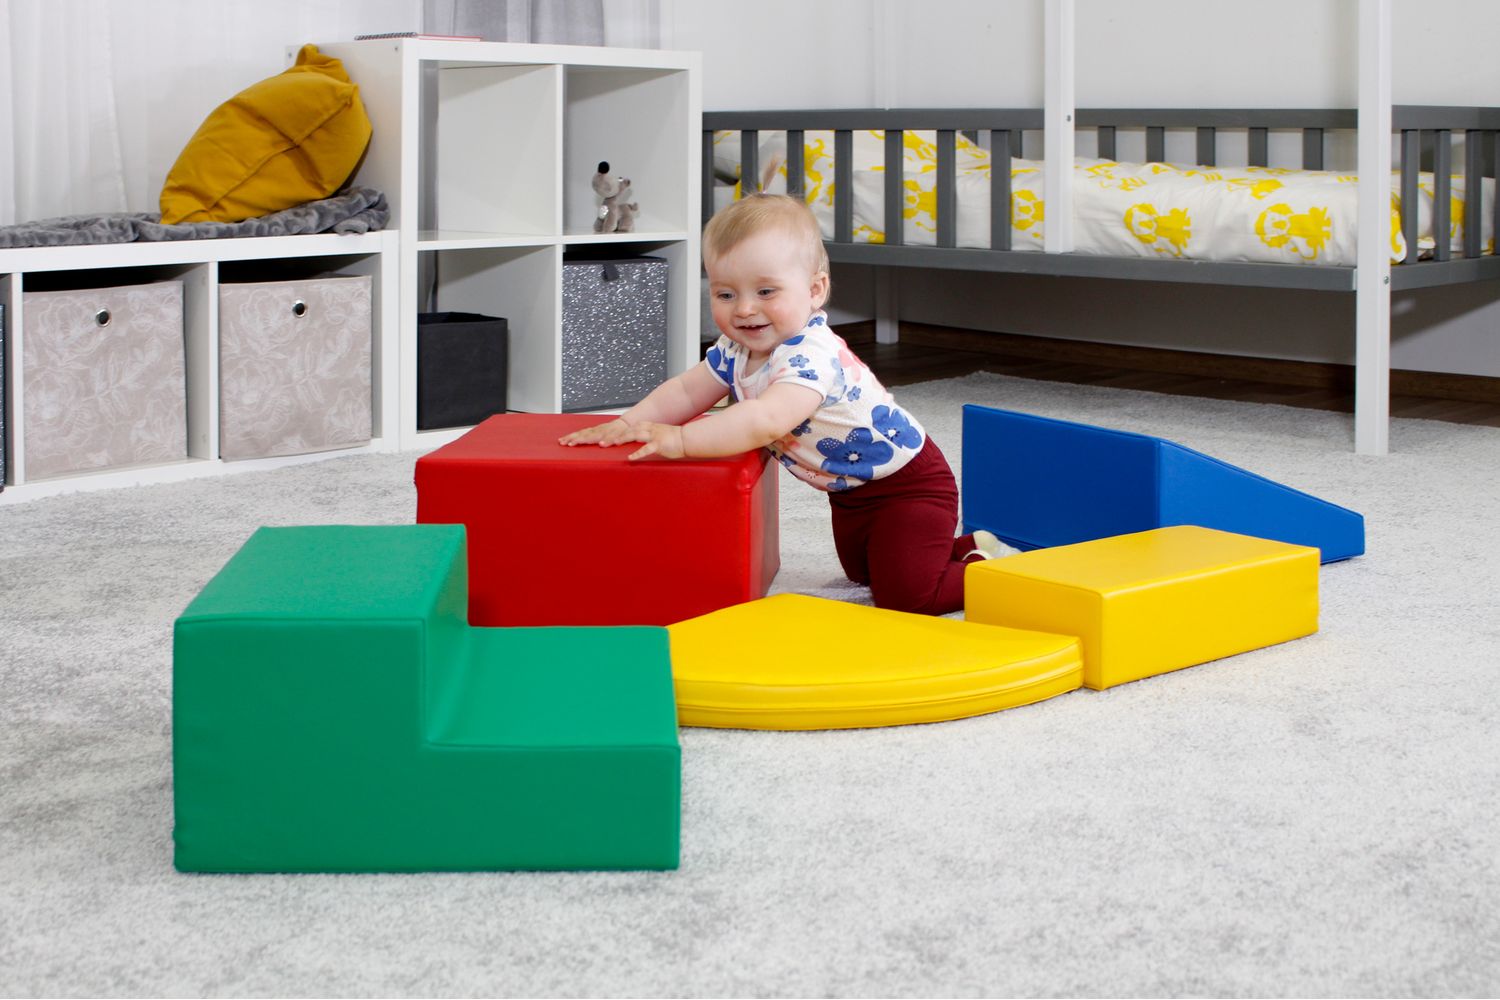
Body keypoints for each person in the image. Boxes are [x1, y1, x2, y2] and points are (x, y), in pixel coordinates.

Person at [559, 193, 1005, 615]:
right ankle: (964, 546)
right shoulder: (734, 348)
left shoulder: (810, 355)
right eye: (726, 294)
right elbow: (686, 391)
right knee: (865, 573)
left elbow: (764, 420)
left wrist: (681, 439)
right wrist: (631, 422)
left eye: (766, 292)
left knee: (908, 595)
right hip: (850, 492)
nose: (744, 309)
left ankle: (995, 571)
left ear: (815, 290)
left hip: (906, 485)